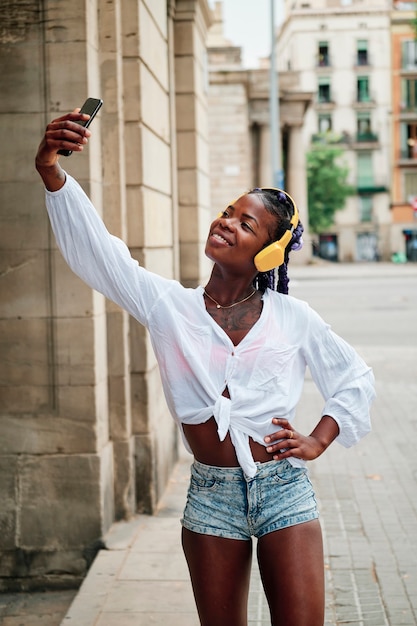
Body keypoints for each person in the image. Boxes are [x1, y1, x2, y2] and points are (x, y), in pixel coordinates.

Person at [35, 110, 375, 626]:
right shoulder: (169, 306)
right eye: (226, 211)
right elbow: (101, 255)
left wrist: (318, 440)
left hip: (284, 487)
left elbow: (354, 377)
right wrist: (52, 172)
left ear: (268, 253)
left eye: (246, 223)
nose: (225, 222)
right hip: (212, 493)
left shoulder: (292, 317)